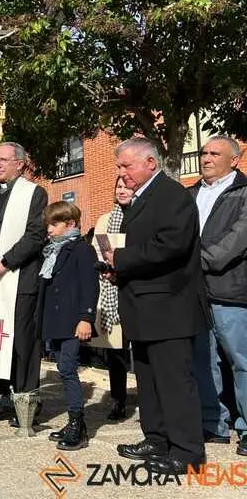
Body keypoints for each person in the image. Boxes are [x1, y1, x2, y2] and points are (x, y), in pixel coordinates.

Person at [102, 137, 207, 475]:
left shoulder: (172, 195)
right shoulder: (141, 198)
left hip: (168, 307)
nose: (121, 172)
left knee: (173, 381)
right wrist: (117, 270)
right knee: (148, 379)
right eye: (119, 166)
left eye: (126, 165)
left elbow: (170, 245)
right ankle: (157, 438)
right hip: (143, 307)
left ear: (150, 163)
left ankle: (187, 451)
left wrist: (121, 259)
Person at [0, 141, 47, 426]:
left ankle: (26, 402)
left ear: (20, 163)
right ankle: (5, 396)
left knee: (22, 342)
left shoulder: (34, 193)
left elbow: (35, 235)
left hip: (19, 279)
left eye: (4, 159)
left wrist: (3, 264)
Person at [189, 136, 247, 457]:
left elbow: (235, 242)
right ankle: (215, 424)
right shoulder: (191, 194)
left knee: (241, 362)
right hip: (195, 293)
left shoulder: (244, 192)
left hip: (231, 291)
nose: (206, 158)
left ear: (234, 160)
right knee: (204, 360)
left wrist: (192, 262)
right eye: (204, 152)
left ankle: (246, 427)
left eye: (214, 153)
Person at [36, 201, 99, 450]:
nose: (49, 229)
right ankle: (73, 421)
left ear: (70, 224)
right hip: (57, 321)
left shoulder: (82, 249)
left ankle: (77, 424)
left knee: (68, 368)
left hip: (74, 321)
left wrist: (86, 318)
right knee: (63, 368)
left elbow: (90, 285)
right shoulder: (52, 250)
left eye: (54, 224)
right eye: (48, 225)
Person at [91, 176, 134, 421]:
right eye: (118, 186)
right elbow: (99, 250)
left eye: (126, 186)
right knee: (116, 353)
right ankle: (119, 400)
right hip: (111, 288)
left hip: (136, 288)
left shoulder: (140, 217)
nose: (121, 190)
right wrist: (108, 270)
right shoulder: (105, 220)